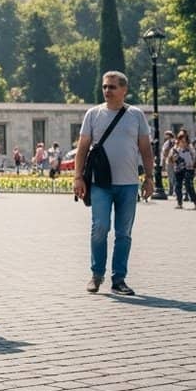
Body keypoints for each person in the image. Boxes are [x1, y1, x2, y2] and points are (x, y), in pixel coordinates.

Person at [73, 71, 154, 296]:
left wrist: (149, 177)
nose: (107, 91)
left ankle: (119, 279)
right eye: (105, 87)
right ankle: (96, 274)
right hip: (100, 183)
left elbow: (146, 149)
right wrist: (78, 177)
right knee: (100, 228)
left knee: (124, 232)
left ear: (124, 90)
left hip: (128, 184)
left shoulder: (136, 115)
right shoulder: (93, 114)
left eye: (112, 87)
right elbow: (82, 148)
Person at [168, 131, 196, 209]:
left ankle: (195, 202)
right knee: (178, 186)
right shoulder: (175, 149)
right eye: (181, 141)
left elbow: (194, 157)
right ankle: (179, 203)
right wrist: (173, 159)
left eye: (185, 141)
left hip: (188, 169)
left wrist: (194, 166)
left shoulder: (190, 148)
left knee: (189, 185)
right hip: (178, 169)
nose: (183, 143)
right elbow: (170, 159)